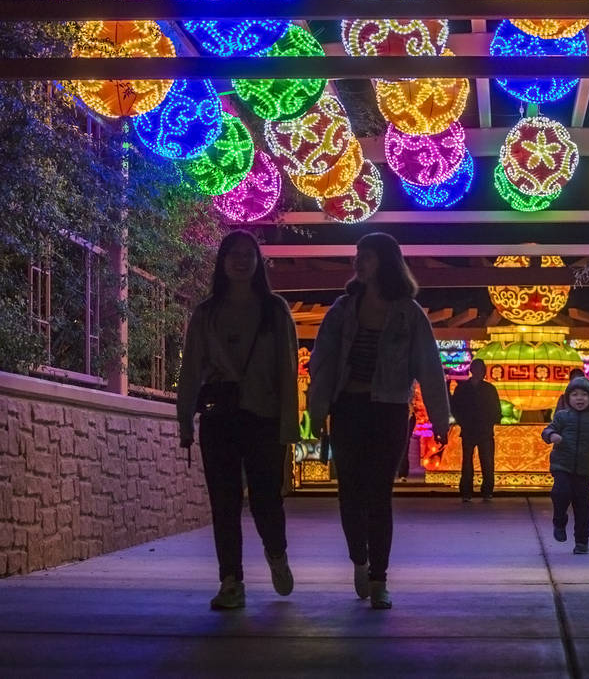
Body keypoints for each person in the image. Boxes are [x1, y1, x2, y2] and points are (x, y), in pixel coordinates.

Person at [307, 232, 450, 609]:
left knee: (379, 495)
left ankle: (379, 578)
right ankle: (359, 558)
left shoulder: (408, 313)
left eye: (366, 256)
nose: (359, 262)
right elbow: (321, 364)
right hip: (348, 407)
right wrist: (314, 414)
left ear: (385, 262)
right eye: (357, 255)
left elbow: (429, 367)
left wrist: (440, 419)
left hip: (389, 409)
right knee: (350, 492)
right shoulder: (343, 309)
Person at [176, 230, 300, 611]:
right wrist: (184, 421)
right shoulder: (206, 313)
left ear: (258, 262)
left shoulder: (274, 311)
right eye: (233, 254)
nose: (241, 260)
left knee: (266, 500)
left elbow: (288, 370)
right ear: (222, 261)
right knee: (224, 503)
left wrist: (288, 426)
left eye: (248, 254)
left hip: (263, 417)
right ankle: (231, 580)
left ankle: (275, 552)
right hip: (220, 416)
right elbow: (191, 370)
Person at [541, 376, 589, 554]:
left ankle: (582, 541)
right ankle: (559, 521)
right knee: (560, 493)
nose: (579, 398)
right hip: (562, 465)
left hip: (584, 469)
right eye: (574, 394)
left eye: (583, 394)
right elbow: (547, 430)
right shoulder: (561, 416)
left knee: (583, 507)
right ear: (568, 398)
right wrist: (552, 436)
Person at [450, 358, 502, 502]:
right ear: (472, 370)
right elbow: (455, 407)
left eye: (482, 370)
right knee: (467, 461)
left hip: (484, 430)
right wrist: (462, 421)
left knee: (487, 461)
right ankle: (466, 491)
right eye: (477, 369)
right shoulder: (463, 388)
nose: (480, 372)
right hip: (469, 429)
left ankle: (487, 490)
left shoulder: (489, 389)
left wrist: (491, 421)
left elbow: (496, 409)